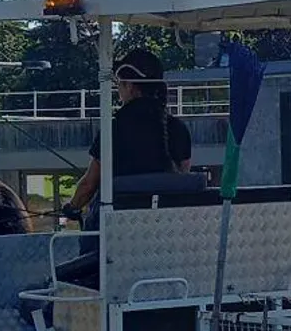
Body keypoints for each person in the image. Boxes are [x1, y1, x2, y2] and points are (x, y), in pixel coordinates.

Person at [60, 48, 192, 224]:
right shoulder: (179, 128)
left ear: (130, 86)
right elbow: (182, 175)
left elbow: (89, 184)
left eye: (119, 84)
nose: (118, 90)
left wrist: (72, 207)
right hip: (167, 222)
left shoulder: (112, 130)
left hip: (118, 225)